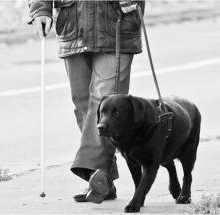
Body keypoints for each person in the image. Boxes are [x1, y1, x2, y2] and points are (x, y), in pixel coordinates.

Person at [28, 0, 145, 204]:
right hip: (73, 25)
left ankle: (92, 170)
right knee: (83, 105)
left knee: (105, 102)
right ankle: (103, 179)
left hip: (115, 22)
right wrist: (40, 9)